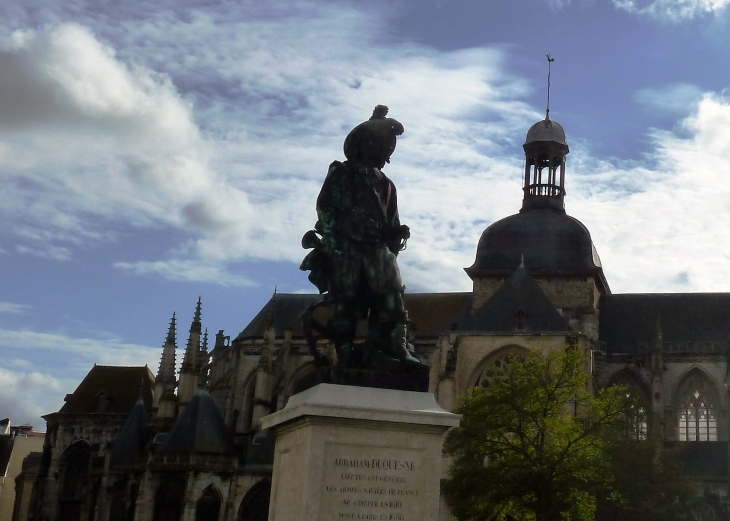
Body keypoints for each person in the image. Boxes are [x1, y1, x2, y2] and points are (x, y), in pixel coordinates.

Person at [300, 105, 418, 368]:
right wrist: (332, 238)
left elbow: (392, 220)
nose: (386, 156)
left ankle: (397, 345)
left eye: (389, 151)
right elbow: (325, 206)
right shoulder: (342, 173)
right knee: (347, 303)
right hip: (346, 246)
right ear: (365, 145)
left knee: (393, 294)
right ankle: (344, 354)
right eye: (383, 148)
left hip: (377, 249)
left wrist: (397, 231)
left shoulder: (387, 184)